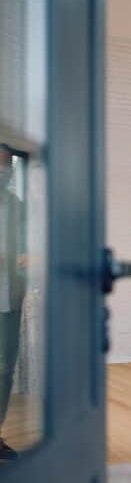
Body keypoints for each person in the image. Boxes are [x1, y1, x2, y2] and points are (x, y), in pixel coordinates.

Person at [0, 144, 26, 462]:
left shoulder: (18, 208)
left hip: (11, 299)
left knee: (5, 369)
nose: (2, 171)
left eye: (6, 165)